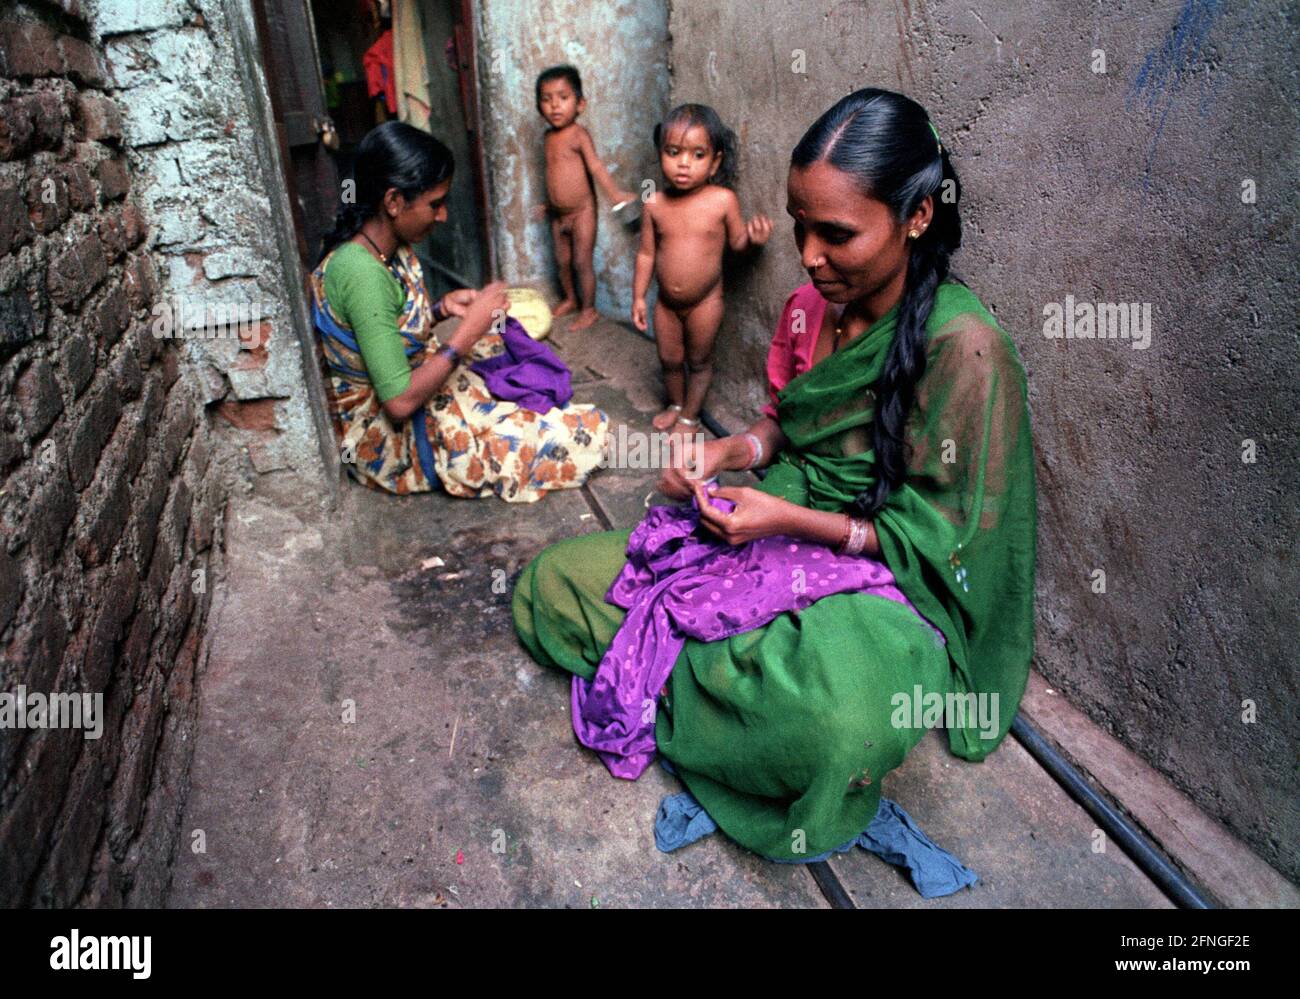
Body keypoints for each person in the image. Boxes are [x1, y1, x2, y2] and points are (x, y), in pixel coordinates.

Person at [512, 88, 1037, 861]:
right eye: (798, 227)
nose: (810, 254)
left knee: (836, 727)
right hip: (776, 511)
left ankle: (678, 676)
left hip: (891, 579)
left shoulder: (967, 348)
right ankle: (714, 690)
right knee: (548, 586)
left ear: (917, 216)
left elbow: (951, 545)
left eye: (837, 233)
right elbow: (782, 425)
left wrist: (786, 523)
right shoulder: (810, 306)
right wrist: (724, 455)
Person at [310, 121, 609, 501]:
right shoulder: (360, 273)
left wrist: (438, 310)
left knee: (503, 358)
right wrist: (465, 331)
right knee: (570, 439)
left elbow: (382, 329)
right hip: (387, 439)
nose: (443, 216)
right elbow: (399, 403)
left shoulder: (384, 246)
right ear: (393, 202)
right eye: (435, 204)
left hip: (404, 383)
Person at [632, 104, 772, 433]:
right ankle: (677, 404)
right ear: (661, 154)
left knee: (698, 362)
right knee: (668, 359)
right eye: (674, 152)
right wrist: (639, 297)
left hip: (705, 303)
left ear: (715, 162)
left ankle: (690, 418)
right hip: (666, 303)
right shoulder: (654, 204)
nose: (684, 163)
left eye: (698, 155)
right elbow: (646, 255)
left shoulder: (722, 200)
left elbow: (736, 244)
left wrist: (752, 238)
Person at [533, 65, 635, 331]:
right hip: (558, 214)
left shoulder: (578, 135)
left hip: (582, 212)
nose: (555, 106)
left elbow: (595, 167)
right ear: (539, 106)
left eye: (563, 98)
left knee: (581, 261)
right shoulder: (547, 137)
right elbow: (554, 172)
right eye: (547, 99)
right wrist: (548, 203)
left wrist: (614, 193)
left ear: (580, 104)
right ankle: (570, 299)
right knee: (563, 262)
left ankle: (589, 309)